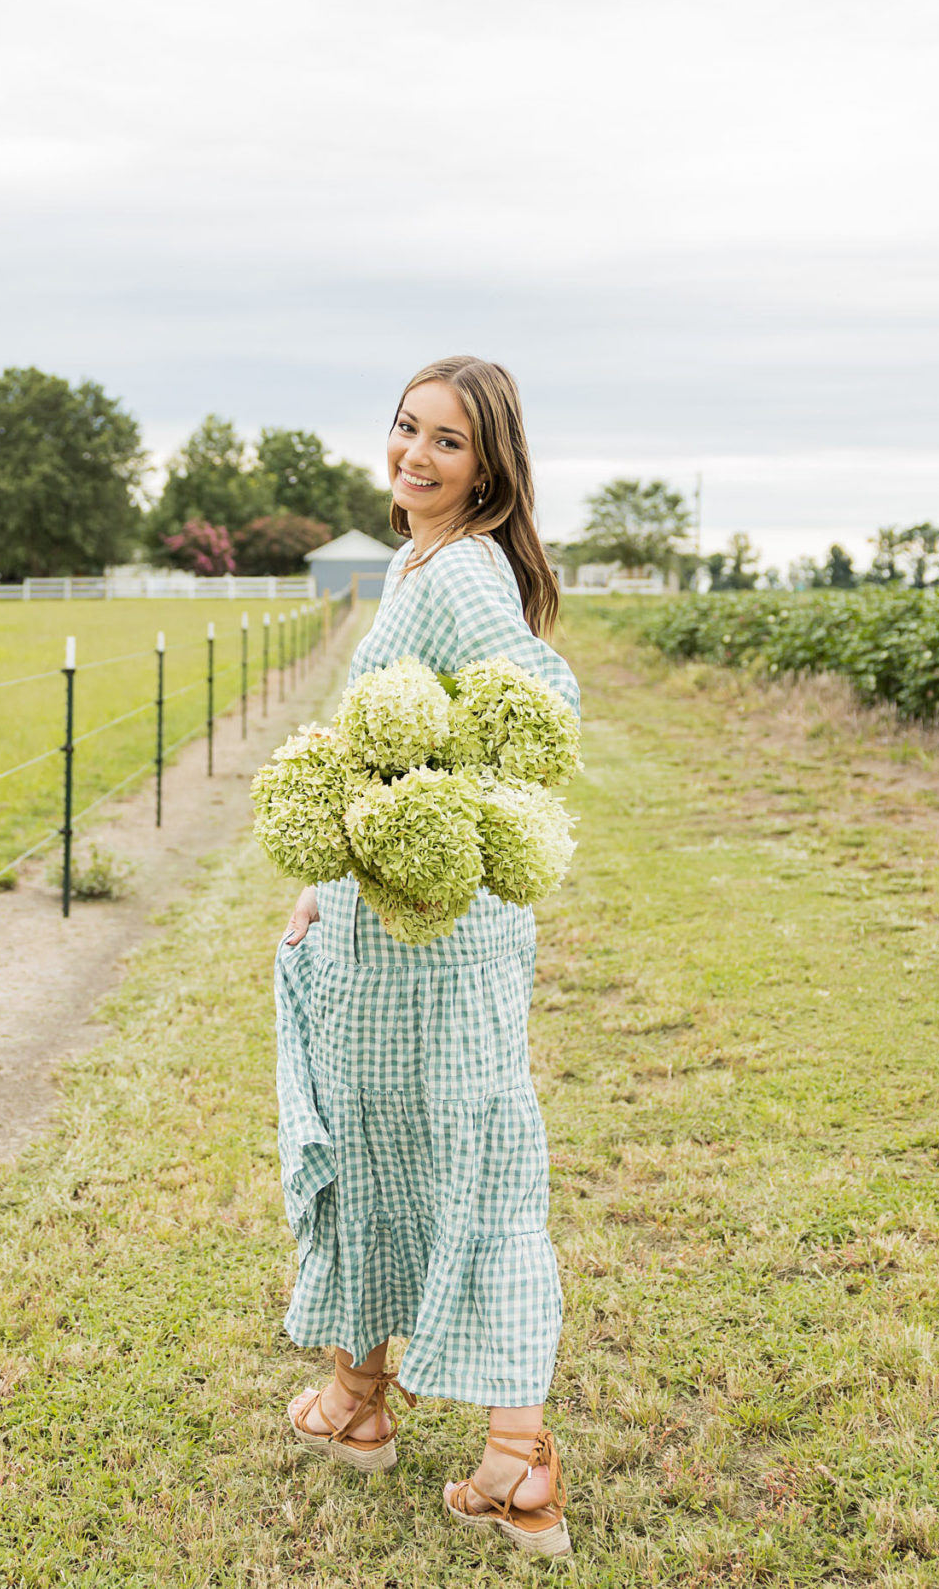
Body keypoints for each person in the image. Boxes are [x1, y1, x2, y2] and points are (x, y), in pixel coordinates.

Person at [273, 355, 580, 1556]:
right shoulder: (416, 559)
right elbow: (391, 751)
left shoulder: (462, 574)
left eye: (446, 441)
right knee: (375, 1142)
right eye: (406, 429)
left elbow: (536, 710)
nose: (414, 454)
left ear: (489, 464)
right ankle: (358, 1402)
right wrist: (328, 870)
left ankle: (517, 1460)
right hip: (383, 928)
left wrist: (433, 827)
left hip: (436, 935)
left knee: (476, 1156)